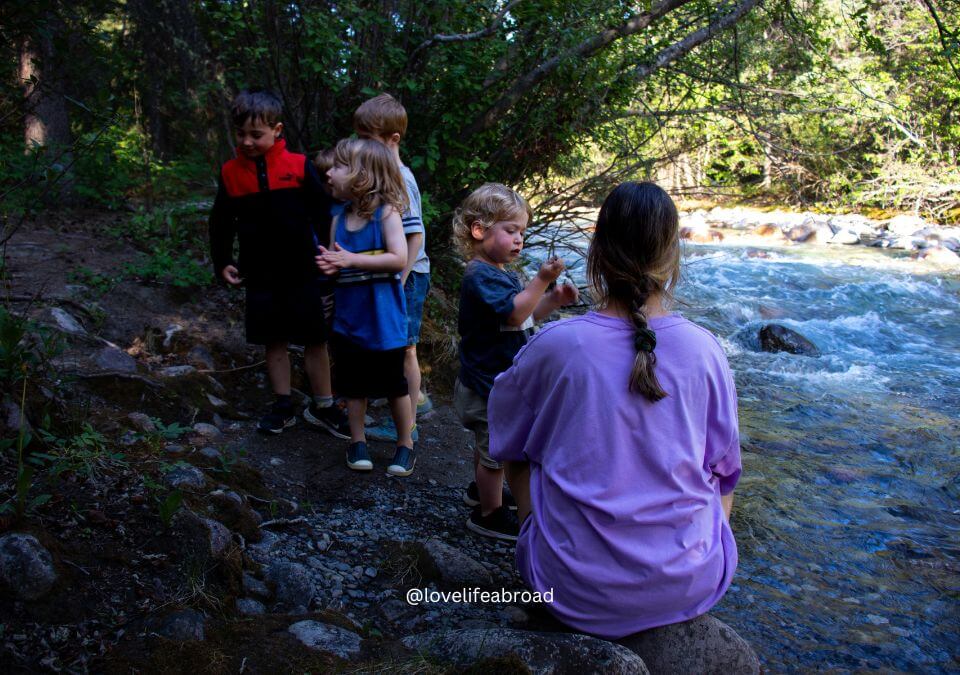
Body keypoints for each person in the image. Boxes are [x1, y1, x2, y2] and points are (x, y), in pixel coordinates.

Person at [488, 181, 759, 672]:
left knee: (526, 451)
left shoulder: (557, 345)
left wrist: (529, 519)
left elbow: (505, 436)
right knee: (714, 474)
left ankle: (545, 539)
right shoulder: (706, 350)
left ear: (596, 252)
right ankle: (676, 571)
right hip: (690, 582)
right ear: (672, 256)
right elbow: (726, 470)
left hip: (568, 585)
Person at [209, 89, 349, 439]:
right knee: (274, 340)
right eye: (241, 134)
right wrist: (223, 260)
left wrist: (331, 253)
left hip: (302, 269)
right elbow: (220, 221)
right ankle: (283, 404)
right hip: (259, 273)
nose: (247, 141)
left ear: (277, 130)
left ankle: (324, 404)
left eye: (256, 135)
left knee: (316, 339)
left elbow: (322, 213)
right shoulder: (230, 173)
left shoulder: (298, 165)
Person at [453, 183, 579, 541]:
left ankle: (481, 491)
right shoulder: (480, 275)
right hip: (485, 384)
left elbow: (524, 317)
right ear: (479, 230)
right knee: (494, 450)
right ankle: (488, 514)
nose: (519, 239)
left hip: (493, 381)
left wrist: (552, 300)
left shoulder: (498, 272)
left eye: (522, 232)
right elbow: (512, 315)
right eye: (510, 231)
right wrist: (542, 279)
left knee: (489, 445)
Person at [315, 138, 416, 476]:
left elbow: (399, 258)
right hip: (348, 320)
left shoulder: (386, 214)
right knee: (353, 386)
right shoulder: (338, 219)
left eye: (339, 166)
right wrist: (330, 264)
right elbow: (335, 259)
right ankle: (357, 442)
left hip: (383, 320)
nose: (329, 172)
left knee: (394, 386)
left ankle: (405, 444)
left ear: (364, 176)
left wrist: (350, 259)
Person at [353, 94, 432, 442]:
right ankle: (407, 407)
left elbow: (415, 237)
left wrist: (400, 279)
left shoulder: (401, 178)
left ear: (392, 140)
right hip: (393, 274)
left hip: (409, 276)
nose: (360, 145)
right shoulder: (381, 173)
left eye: (367, 139)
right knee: (392, 346)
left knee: (406, 348)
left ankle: (409, 422)